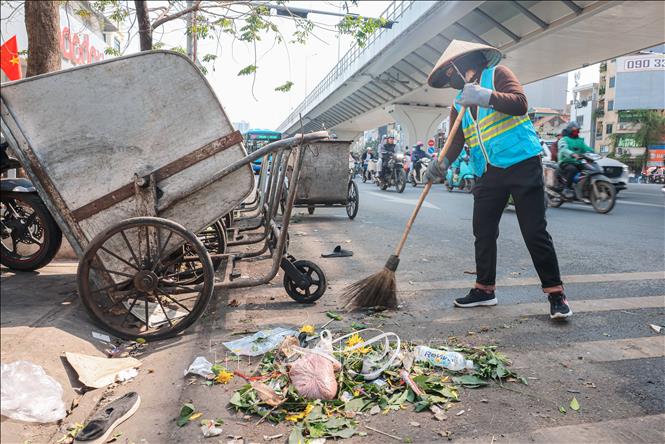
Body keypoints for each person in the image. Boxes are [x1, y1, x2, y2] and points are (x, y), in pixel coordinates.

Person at [424, 39, 571, 320]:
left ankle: (556, 294)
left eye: (449, 74)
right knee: (483, 230)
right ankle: (484, 289)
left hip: (521, 163)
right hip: (487, 172)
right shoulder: (459, 102)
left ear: (460, 65)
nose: (448, 80)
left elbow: (520, 104)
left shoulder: (498, 75)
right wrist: (440, 163)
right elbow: (456, 141)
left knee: (534, 231)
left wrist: (485, 96)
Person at [557, 121, 594, 197]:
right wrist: (572, 154)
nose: (577, 132)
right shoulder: (564, 140)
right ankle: (566, 188)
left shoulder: (579, 141)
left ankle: (585, 188)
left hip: (578, 162)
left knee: (590, 169)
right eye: (575, 130)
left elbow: (587, 148)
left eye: (578, 130)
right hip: (566, 162)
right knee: (572, 169)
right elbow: (563, 150)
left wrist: (595, 153)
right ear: (570, 130)